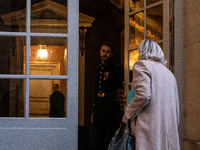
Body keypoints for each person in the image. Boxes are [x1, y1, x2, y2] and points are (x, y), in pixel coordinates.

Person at [122, 39, 180, 150]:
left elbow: (143, 95)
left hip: (149, 130)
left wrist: (128, 113)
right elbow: (176, 106)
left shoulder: (142, 65)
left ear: (142, 51)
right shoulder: (168, 73)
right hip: (167, 132)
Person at [91, 42, 123, 150]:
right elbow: (95, 91)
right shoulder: (97, 69)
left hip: (110, 106)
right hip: (99, 107)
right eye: (103, 51)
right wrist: (93, 110)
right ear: (100, 52)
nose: (105, 54)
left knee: (109, 136)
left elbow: (120, 87)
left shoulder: (115, 69)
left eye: (108, 52)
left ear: (112, 54)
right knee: (97, 137)